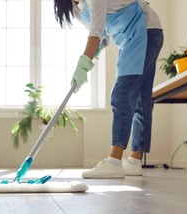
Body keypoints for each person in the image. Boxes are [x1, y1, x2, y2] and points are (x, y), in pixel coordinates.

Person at [54, 0, 163, 178]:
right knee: (140, 98)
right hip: (130, 38)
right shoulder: (75, 9)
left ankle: (114, 161)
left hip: (147, 31)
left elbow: (96, 33)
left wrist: (83, 62)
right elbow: (103, 37)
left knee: (122, 94)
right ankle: (135, 161)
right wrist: (88, 62)